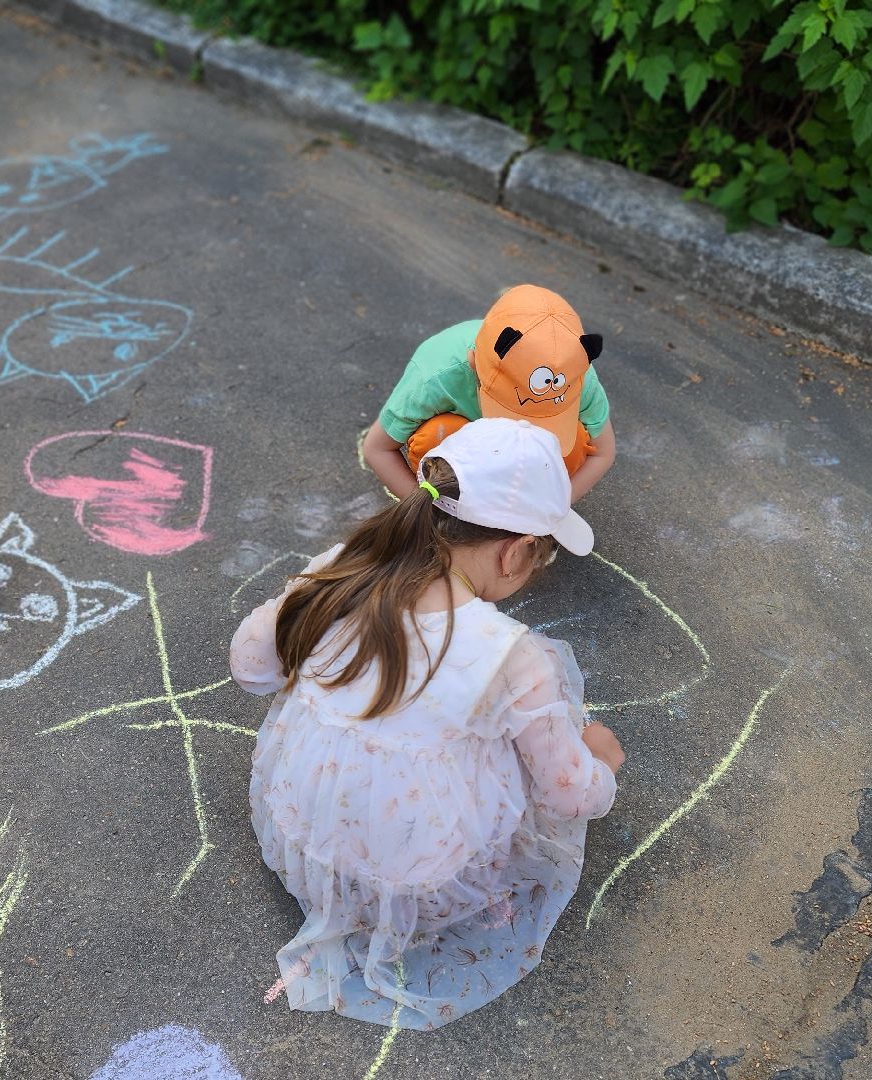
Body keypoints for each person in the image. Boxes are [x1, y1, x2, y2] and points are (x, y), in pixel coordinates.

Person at [231, 417, 625, 1029]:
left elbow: (251, 669)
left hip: (300, 842)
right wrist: (599, 761)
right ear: (516, 551)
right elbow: (568, 795)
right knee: (534, 737)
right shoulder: (512, 656)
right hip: (423, 890)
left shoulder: (341, 570)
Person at [360, 284, 615, 503]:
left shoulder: (576, 373)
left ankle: (523, 501)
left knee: (576, 443)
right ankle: (450, 501)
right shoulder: (437, 372)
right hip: (464, 445)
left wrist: (554, 511)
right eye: (513, 413)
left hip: (522, 464)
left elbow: (603, 452)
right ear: (474, 362)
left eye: (535, 417)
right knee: (433, 436)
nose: (519, 425)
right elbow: (377, 449)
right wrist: (426, 515)